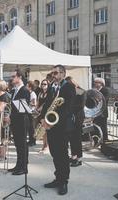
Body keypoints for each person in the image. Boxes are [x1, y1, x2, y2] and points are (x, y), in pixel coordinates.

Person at [40, 65, 76, 195]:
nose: (53, 75)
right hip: (51, 125)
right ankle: (58, 178)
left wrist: (53, 123)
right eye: (52, 73)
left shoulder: (69, 86)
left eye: (56, 73)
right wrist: (43, 119)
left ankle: (64, 181)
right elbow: (47, 105)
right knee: (55, 154)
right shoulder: (52, 86)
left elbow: (68, 109)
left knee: (63, 155)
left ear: (63, 73)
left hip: (62, 126)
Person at [8, 69, 30, 176]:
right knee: (17, 145)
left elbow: (24, 109)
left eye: (13, 76)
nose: (12, 78)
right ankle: (18, 164)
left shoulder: (24, 90)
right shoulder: (14, 90)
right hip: (15, 121)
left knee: (22, 145)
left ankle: (24, 167)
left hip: (22, 121)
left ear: (19, 77)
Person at [66, 76, 86, 167]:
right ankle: (73, 156)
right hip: (71, 117)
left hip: (78, 117)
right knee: (72, 138)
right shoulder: (71, 91)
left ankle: (79, 158)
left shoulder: (80, 90)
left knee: (77, 138)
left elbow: (81, 105)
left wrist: (69, 107)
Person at [37, 79, 50, 153]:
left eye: (45, 84)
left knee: (46, 130)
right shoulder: (40, 93)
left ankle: (47, 146)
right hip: (40, 113)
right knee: (42, 131)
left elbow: (45, 104)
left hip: (46, 113)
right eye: (42, 84)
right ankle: (43, 146)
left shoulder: (49, 93)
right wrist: (36, 109)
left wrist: (39, 109)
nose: (43, 85)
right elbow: (38, 102)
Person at [26, 81, 37, 146]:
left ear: (30, 87)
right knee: (29, 128)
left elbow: (34, 104)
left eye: (27, 86)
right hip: (28, 111)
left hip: (31, 112)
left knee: (32, 128)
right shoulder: (29, 93)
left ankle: (33, 141)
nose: (26, 87)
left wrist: (27, 102)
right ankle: (30, 140)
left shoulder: (33, 94)